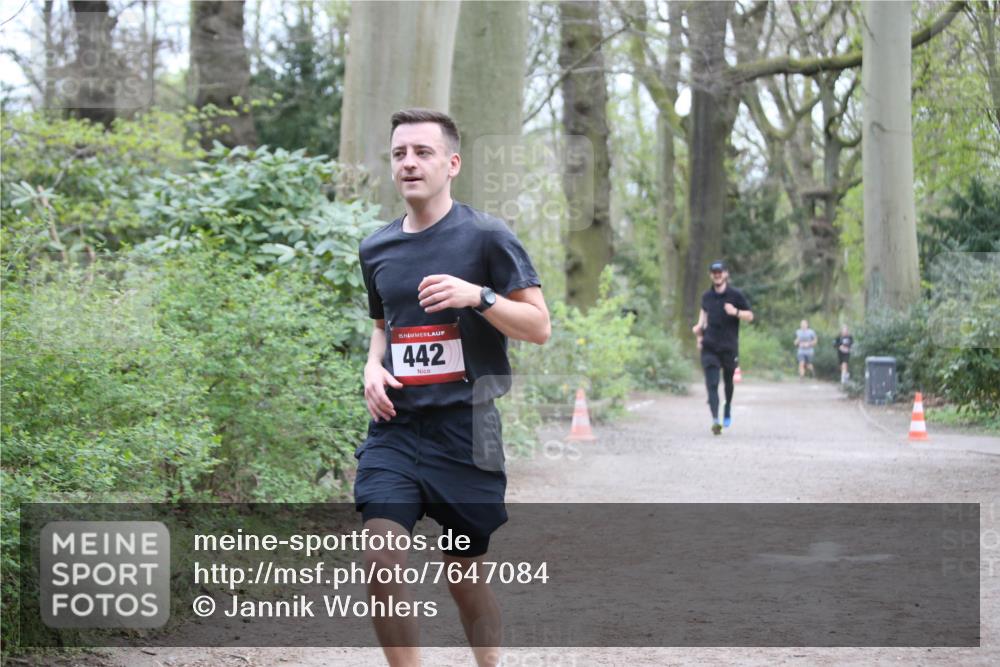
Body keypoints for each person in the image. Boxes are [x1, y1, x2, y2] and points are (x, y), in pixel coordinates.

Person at [356, 108, 550, 667]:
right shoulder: (376, 250)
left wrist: (479, 297)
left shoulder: (487, 236)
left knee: (464, 576)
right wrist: (372, 367)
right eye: (399, 153)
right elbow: (381, 327)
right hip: (396, 428)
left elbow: (539, 327)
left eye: (423, 152)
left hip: (468, 430)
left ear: (452, 163)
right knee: (381, 557)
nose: (409, 163)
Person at [691, 261, 754, 435]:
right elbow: (702, 320)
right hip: (709, 346)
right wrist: (698, 334)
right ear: (711, 275)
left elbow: (750, 316)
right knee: (711, 383)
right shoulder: (706, 297)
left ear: (725, 274)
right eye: (714, 272)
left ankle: (727, 407)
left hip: (729, 347)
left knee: (728, 383)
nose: (717, 275)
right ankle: (715, 420)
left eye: (720, 272)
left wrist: (736, 312)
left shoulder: (735, 295)